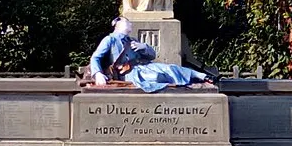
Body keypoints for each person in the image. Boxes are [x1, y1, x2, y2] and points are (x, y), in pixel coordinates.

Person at [85, 19, 214, 92]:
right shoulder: (110, 40)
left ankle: (201, 76)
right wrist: (97, 74)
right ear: (118, 24)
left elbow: (152, 55)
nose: (130, 24)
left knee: (170, 68)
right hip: (128, 72)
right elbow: (95, 57)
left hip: (144, 66)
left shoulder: (132, 40)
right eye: (127, 22)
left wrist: (144, 47)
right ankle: (183, 81)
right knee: (156, 77)